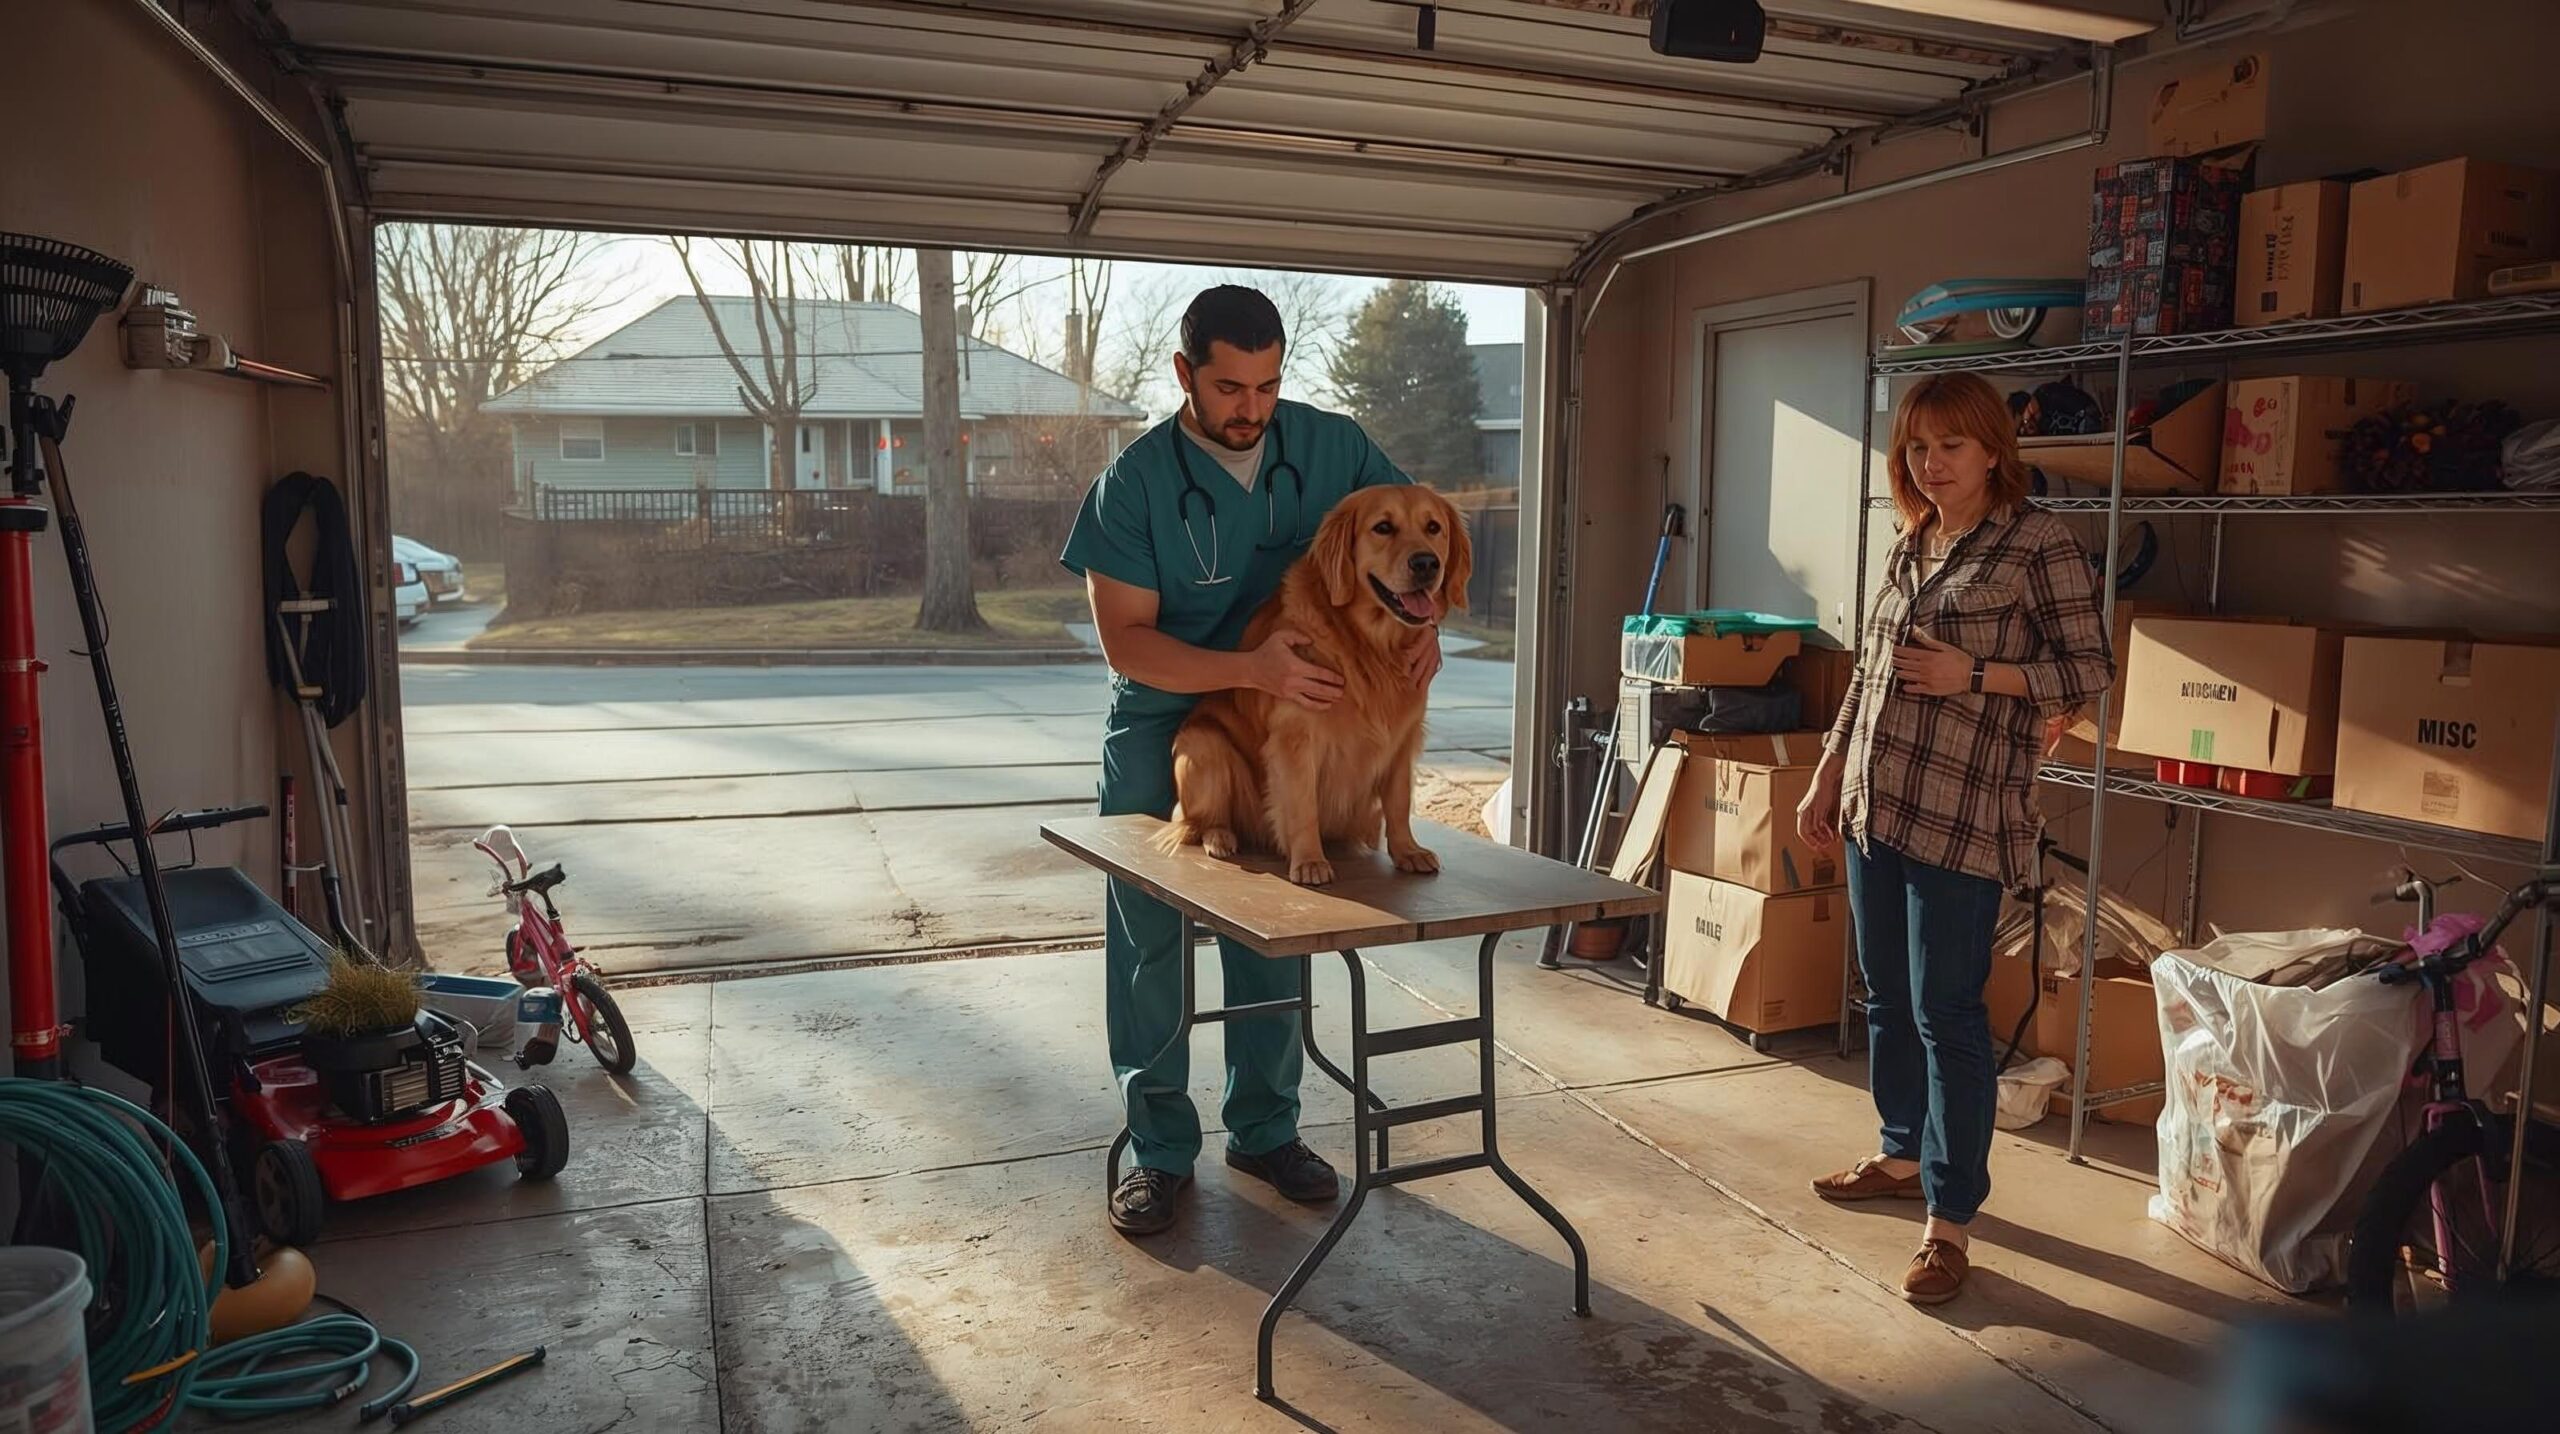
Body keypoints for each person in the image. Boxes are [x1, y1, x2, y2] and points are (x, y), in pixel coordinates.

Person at [1058, 284, 1443, 1237]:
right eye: (1230, 388)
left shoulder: (1334, 446)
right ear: (1186, 374)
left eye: (1267, 386)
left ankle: (1266, 1129)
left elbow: (1415, 535)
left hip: (1297, 727)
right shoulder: (1137, 481)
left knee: (1275, 929)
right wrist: (1247, 666)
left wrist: (1420, 624)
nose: (1251, 410)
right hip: (1165, 719)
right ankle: (1156, 1150)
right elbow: (1127, 644)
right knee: (1150, 942)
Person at [1794, 371, 2113, 1305]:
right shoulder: (1912, 540)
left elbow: (2088, 670)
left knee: (1949, 1014)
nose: (1932, 465)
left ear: (1992, 451)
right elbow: (1867, 677)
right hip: (1875, 805)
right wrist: (1825, 775)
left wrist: (1979, 671)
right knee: (1887, 998)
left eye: (1952, 447)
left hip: (1965, 815)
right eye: (1919, 448)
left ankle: (1949, 1221)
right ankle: (1898, 1153)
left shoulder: (2037, 542)